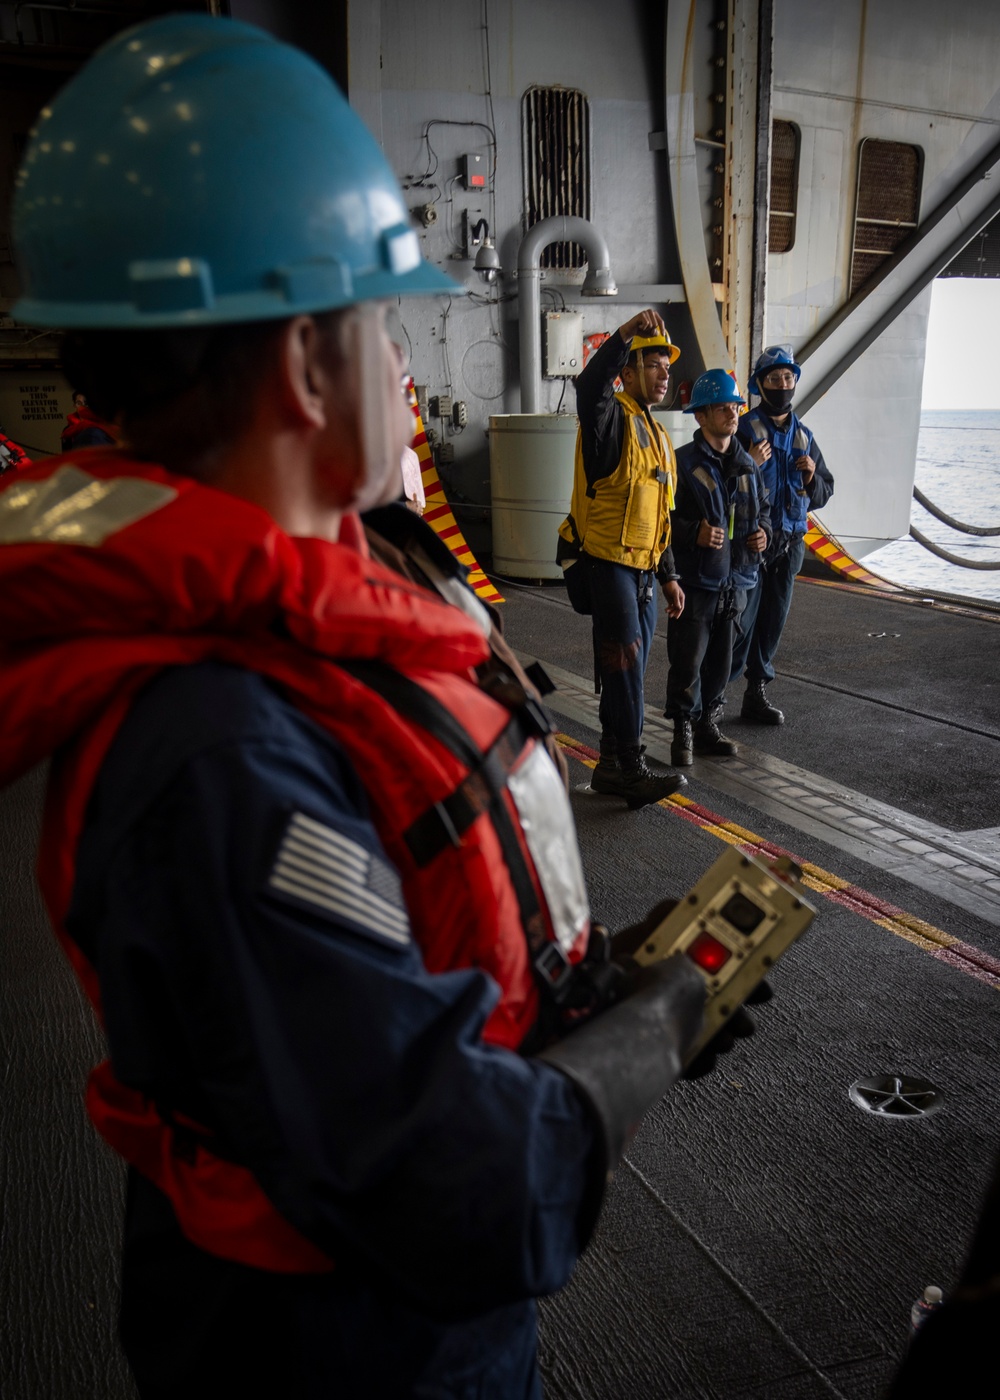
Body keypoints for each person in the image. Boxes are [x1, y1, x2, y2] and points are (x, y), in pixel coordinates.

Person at [0, 16, 712, 1398]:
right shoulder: (221, 756)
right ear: (301, 363)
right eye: (384, 322)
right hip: (341, 1349)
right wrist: (650, 1035)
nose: (404, 367)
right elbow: (458, 1192)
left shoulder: (322, 611)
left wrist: (591, 990)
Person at [557, 310, 687, 808]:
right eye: (653, 365)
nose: (663, 374)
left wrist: (669, 575)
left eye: (666, 367)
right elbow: (589, 385)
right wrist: (626, 334)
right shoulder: (607, 419)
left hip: (642, 571)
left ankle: (612, 761)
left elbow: (662, 515)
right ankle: (630, 767)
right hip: (605, 562)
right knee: (625, 664)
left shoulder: (657, 437)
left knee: (627, 666)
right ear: (627, 373)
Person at [665, 370, 770, 767]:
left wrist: (764, 535)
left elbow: (766, 514)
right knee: (688, 658)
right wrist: (693, 533)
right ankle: (682, 730)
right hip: (697, 581)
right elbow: (661, 522)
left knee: (724, 660)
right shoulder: (682, 465)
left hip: (737, 579)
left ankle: (709, 724)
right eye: (722, 407)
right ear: (700, 417)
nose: (732, 412)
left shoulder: (747, 465)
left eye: (735, 405)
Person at [730, 345, 835, 724]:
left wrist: (811, 477)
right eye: (774, 379)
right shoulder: (742, 430)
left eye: (788, 378)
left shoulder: (804, 437)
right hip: (752, 544)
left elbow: (824, 489)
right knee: (738, 624)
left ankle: (756, 692)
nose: (782, 384)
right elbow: (720, 485)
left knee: (773, 621)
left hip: (790, 545)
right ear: (760, 385)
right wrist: (749, 464)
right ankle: (708, 702)